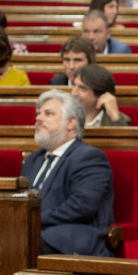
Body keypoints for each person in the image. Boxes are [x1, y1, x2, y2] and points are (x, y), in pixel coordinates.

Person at [22, 90, 114, 256]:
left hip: (70, 239)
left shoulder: (89, 157)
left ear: (71, 123)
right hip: (32, 232)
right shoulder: (33, 159)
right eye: (38, 114)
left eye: (48, 114)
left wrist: (32, 219)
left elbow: (80, 207)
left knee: (19, 244)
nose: (38, 119)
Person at [72, 64, 130, 128]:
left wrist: (114, 116)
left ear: (100, 95)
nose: (74, 93)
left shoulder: (117, 120)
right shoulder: (64, 116)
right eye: (74, 85)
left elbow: (122, 136)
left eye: (82, 88)